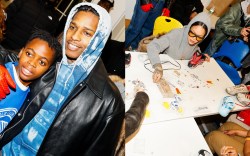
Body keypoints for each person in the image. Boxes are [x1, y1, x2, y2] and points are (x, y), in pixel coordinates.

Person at [0, 3, 124, 155]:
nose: (74, 36)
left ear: (100, 38)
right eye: (72, 27)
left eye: (86, 33)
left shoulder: (109, 102)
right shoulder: (48, 62)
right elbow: (9, 55)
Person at [0, 29, 61, 133]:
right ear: (20, 52)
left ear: (47, 70)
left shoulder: (30, 96)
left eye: (42, 62)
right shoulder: (3, 76)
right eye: (29, 54)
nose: (32, 63)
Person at [147, 12, 211, 83]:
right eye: (192, 33)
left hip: (177, 75)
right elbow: (152, 46)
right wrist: (158, 67)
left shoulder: (196, 42)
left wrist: (201, 56)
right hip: (162, 67)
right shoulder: (176, 34)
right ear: (189, 27)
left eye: (199, 37)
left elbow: (195, 51)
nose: (194, 39)